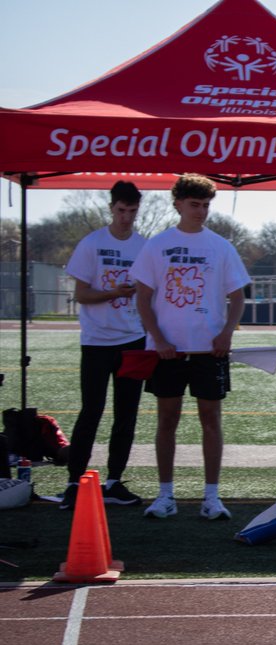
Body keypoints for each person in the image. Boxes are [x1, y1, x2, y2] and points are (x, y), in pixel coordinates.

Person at [131, 174, 250, 521]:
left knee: (210, 420)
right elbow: (143, 297)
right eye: (194, 204)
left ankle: (211, 497)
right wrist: (159, 338)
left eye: (205, 205)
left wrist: (227, 332)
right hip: (167, 352)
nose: (201, 211)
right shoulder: (156, 245)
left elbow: (238, 295)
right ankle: (165, 495)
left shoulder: (221, 246)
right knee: (166, 420)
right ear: (178, 204)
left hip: (208, 352)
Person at [59, 181, 147, 511]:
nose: (126, 218)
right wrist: (115, 293)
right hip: (96, 342)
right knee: (91, 412)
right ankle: (73, 482)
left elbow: (151, 295)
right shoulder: (92, 244)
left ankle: (114, 481)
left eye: (132, 211)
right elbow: (81, 294)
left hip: (133, 340)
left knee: (126, 416)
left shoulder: (144, 247)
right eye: (121, 211)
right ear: (111, 208)